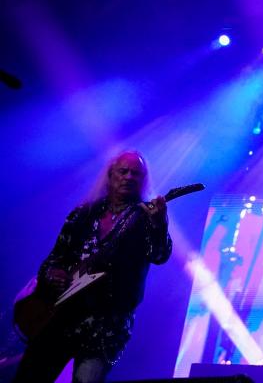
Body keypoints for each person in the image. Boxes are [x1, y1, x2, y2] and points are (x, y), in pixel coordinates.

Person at [13, 151, 171, 383]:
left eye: (136, 173)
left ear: (143, 180)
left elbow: (159, 256)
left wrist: (160, 224)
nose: (129, 177)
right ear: (110, 175)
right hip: (61, 316)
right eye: (123, 171)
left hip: (108, 327)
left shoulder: (146, 218)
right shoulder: (82, 214)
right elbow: (53, 259)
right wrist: (53, 273)